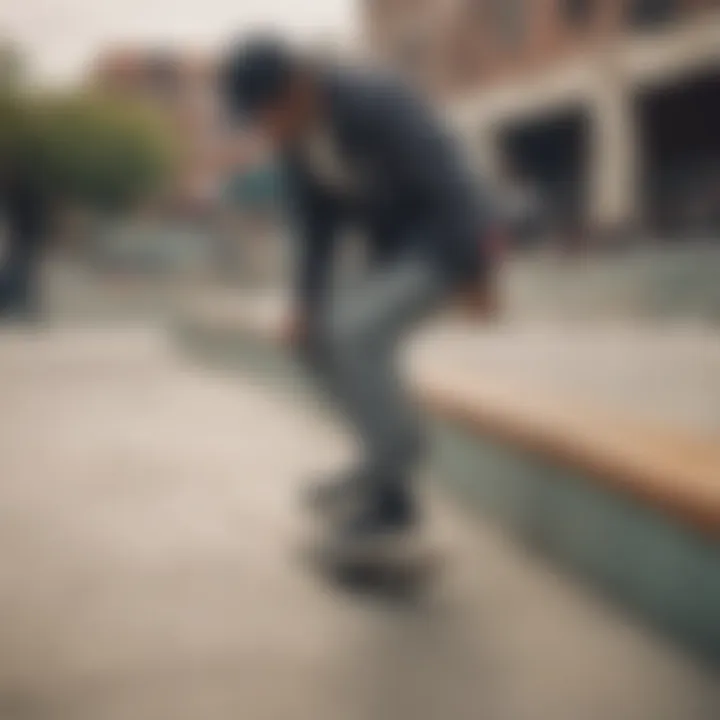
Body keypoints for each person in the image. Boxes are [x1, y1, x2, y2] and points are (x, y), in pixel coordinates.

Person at [219, 36, 499, 559]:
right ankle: (384, 473)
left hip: (446, 244)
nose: (265, 130)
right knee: (314, 340)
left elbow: (450, 182)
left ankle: (391, 471)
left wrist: (479, 273)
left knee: (355, 331)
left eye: (266, 113)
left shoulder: (376, 103)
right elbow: (315, 227)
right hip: (393, 253)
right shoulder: (294, 141)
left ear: (297, 87)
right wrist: (303, 305)